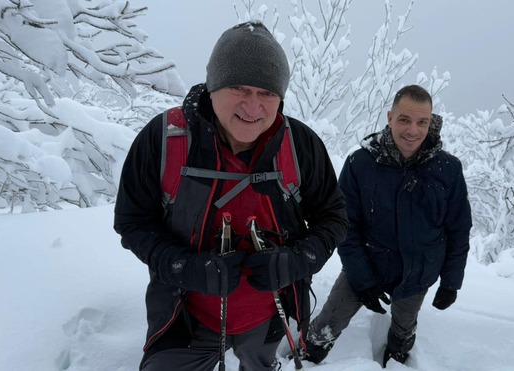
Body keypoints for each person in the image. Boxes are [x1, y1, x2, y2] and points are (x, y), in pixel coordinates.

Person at [114, 21, 348, 371]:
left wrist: (298, 260)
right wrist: (185, 268)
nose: (253, 107)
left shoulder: (300, 145)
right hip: (184, 317)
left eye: (267, 93)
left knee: (259, 364)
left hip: (270, 315)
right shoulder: (165, 140)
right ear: (213, 86)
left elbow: (334, 217)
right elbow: (132, 222)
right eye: (239, 87)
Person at [300, 84, 472, 367]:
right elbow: (346, 226)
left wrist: (451, 283)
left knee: (404, 329)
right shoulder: (360, 163)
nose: (412, 130)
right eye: (404, 119)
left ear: (431, 123)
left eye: (422, 122)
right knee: (326, 325)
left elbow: (458, 229)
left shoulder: (448, 169)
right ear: (390, 117)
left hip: (417, 273)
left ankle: (397, 355)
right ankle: (308, 357)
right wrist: (363, 281)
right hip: (366, 264)